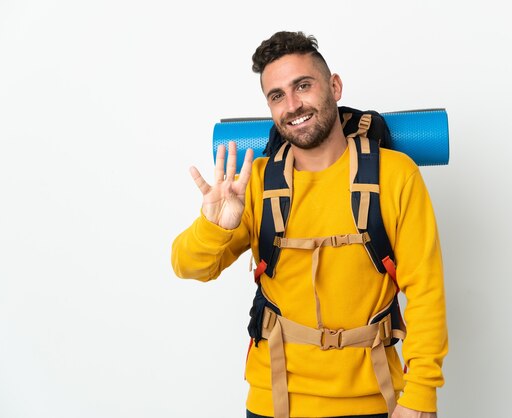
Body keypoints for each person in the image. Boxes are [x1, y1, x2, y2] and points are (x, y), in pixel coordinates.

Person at [171, 31, 447, 418]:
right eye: (277, 95)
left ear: (334, 87)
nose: (293, 104)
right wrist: (214, 225)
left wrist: (421, 394)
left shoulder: (396, 175)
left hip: (375, 399)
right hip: (274, 399)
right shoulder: (256, 182)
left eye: (303, 85)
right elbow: (188, 267)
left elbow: (426, 291)